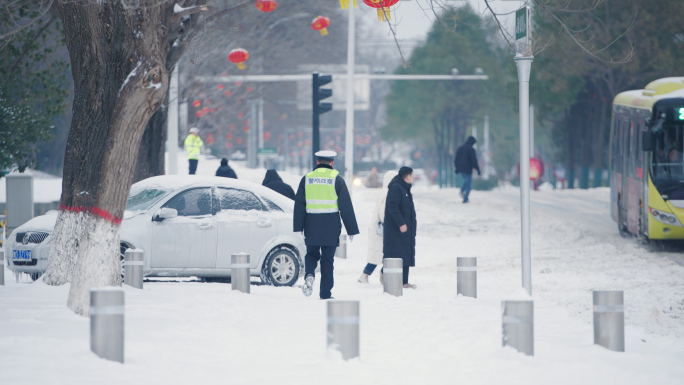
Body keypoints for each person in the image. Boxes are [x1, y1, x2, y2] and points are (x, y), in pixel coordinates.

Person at [294, 150, 360, 299]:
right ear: (332, 163)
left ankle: (309, 274)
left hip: (311, 224)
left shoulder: (307, 178)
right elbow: (346, 206)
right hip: (331, 226)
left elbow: (299, 204)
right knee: (327, 260)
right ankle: (325, 293)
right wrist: (351, 230)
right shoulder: (337, 179)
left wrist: (298, 226)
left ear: (317, 162)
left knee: (311, 254)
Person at [358, 170, 398, 284]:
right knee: (382, 254)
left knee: (380, 254)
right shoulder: (389, 192)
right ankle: (365, 276)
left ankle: (375, 275)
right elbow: (383, 212)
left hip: (378, 229)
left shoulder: (385, 191)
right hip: (383, 230)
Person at [383, 166, 417, 289]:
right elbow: (393, 207)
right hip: (396, 229)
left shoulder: (405, 188)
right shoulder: (396, 188)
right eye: (412, 175)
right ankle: (395, 278)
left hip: (406, 229)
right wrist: (401, 223)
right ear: (408, 176)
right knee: (397, 253)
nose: (412, 178)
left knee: (405, 253)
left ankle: (404, 282)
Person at [454, 136, 481, 203]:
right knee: (469, 185)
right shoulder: (471, 150)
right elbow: (474, 161)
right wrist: (478, 169)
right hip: (468, 169)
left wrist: (457, 168)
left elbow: (456, 159)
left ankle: (462, 191)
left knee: (466, 181)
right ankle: (465, 198)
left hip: (460, 169)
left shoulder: (460, 148)